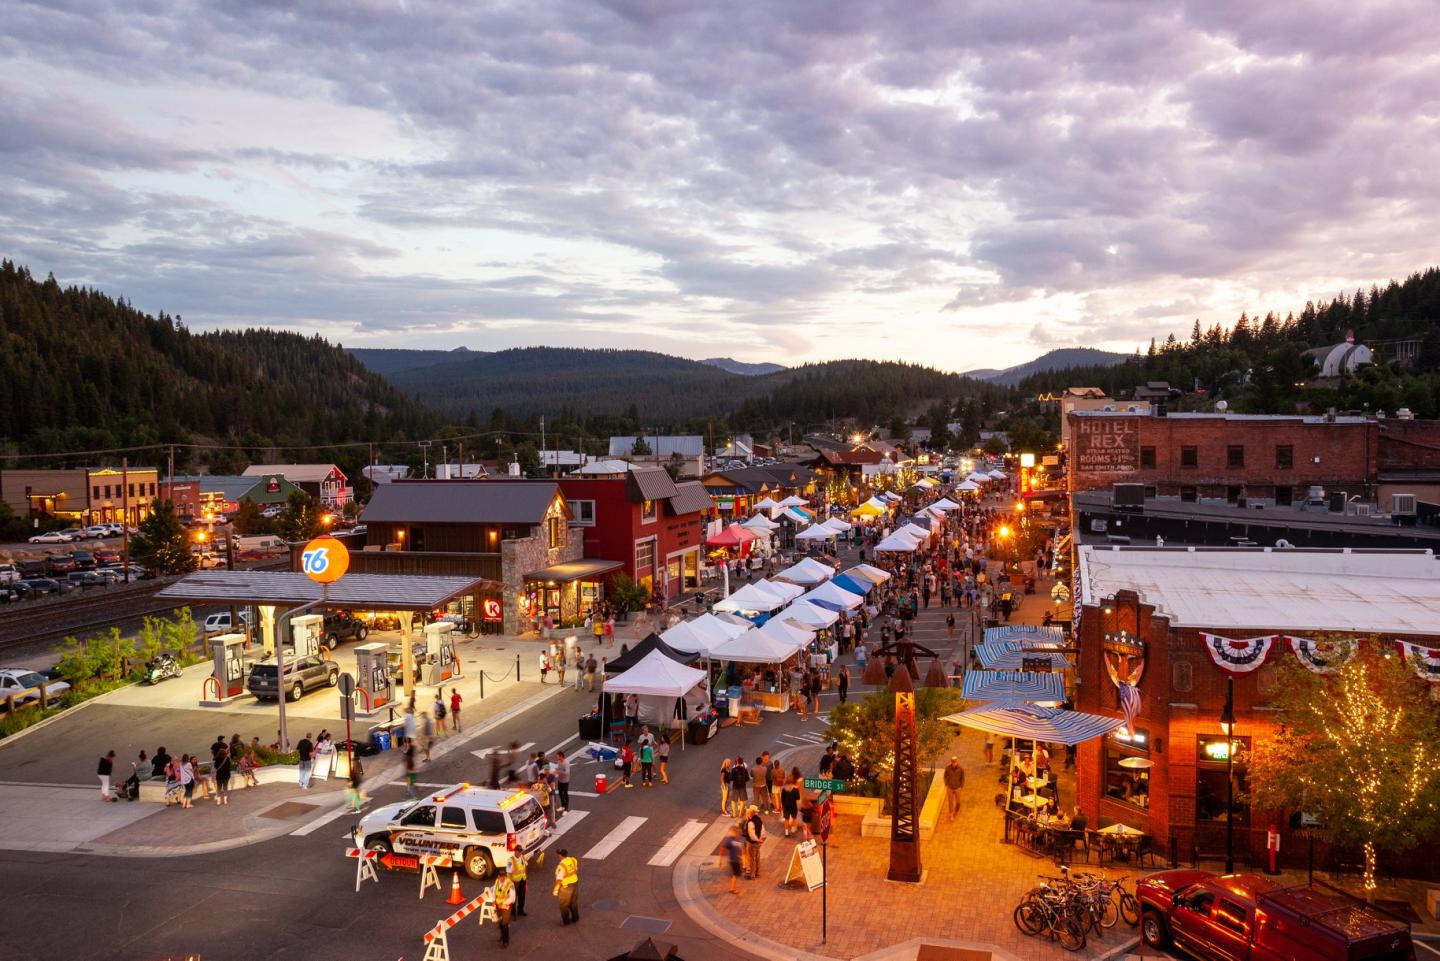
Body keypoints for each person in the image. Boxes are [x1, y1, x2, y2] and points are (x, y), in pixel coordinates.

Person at [493, 864, 517, 948]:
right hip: (498, 906)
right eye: (501, 877)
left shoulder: (510, 884)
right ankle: (502, 935)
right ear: (498, 876)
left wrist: (504, 903)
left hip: (506, 906)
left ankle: (506, 941)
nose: (502, 878)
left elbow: (512, 898)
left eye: (504, 876)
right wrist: (493, 900)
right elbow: (494, 890)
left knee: (505, 923)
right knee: (499, 922)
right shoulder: (497, 881)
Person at [553, 848, 580, 925]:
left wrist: (555, 889)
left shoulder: (561, 866)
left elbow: (559, 879)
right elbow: (575, 869)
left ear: (560, 856)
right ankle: (575, 918)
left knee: (563, 905)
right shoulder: (573, 860)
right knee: (573, 902)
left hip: (566, 886)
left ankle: (566, 921)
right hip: (575, 883)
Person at [718, 825, 744, 894]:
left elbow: (740, 850)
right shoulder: (729, 840)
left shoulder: (736, 839)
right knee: (735, 875)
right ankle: (733, 889)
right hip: (734, 860)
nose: (738, 833)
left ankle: (732, 887)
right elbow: (722, 849)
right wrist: (720, 860)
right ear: (734, 832)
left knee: (735, 874)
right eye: (737, 831)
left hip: (736, 860)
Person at [743, 804, 766, 879]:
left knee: (752, 858)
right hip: (758, 842)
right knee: (757, 857)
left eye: (749, 811)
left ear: (751, 812)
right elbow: (762, 830)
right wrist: (761, 839)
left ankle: (752, 875)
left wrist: (757, 839)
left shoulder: (750, 822)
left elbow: (751, 834)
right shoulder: (759, 819)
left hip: (752, 843)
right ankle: (757, 873)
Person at [780, 772, 801, 837]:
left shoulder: (783, 789)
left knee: (786, 819)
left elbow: (782, 798)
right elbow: (798, 798)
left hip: (786, 806)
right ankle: (792, 827)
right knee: (794, 818)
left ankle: (786, 832)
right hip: (793, 806)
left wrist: (782, 805)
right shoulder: (795, 789)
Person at [510, 851, 529, 916]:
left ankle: (520, 910)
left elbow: (525, 867)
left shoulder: (523, 857)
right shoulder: (510, 860)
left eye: (520, 852)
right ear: (515, 852)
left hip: (522, 880)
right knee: (513, 897)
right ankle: (512, 912)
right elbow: (508, 872)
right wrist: (510, 883)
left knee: (522, 896)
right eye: (518, 852)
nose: (519, 853)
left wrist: (526, 878)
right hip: (514, 882)